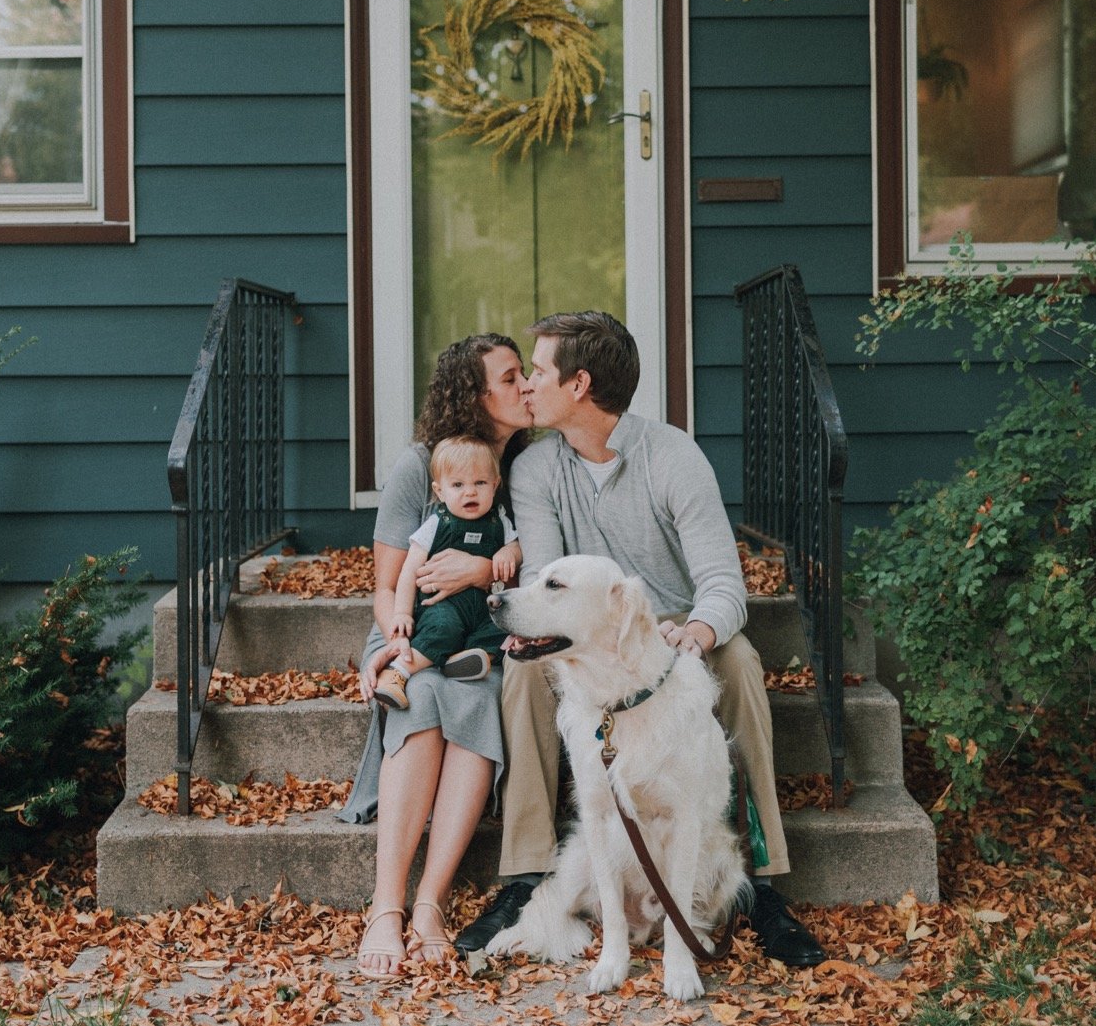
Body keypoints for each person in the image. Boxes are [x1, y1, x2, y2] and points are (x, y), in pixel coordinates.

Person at [454, 311, 829, 968]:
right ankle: (526, 873)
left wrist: (696, 631)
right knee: (521, 675)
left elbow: (723, 582)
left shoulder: (674, 455)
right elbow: (547, 587)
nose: (530, 385)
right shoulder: (538, 468)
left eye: (540, 371)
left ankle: (763, 881)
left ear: (581, 384)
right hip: (593, 638)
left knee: (739, 662)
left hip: (679, 636)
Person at [340, 334, 532, 977]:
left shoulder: (530, 468)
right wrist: (396, 643)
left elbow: (530, 575)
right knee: (418, 696)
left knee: (476, 701)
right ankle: (386, 905)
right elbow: (385, 586)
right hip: (408, 629)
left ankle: (430, 902)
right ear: (476, 396)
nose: (526, 386)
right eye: (510, 378)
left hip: (483, 634)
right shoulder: (417, 467)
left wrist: (482, 572)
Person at [368, 435, 522, 709]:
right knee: (443, 629)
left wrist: (508, 552)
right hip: (441, 606)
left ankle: (465, 661)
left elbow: (516, 547)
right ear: (440, 491)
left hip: (482, 608)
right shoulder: (436, 523)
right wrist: (402, 613)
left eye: (480, 483)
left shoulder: (500, 519)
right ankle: (398, 673)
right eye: (458, 485)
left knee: (501, 631)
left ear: (495, 485)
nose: (470, 492)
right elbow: (408, 572)